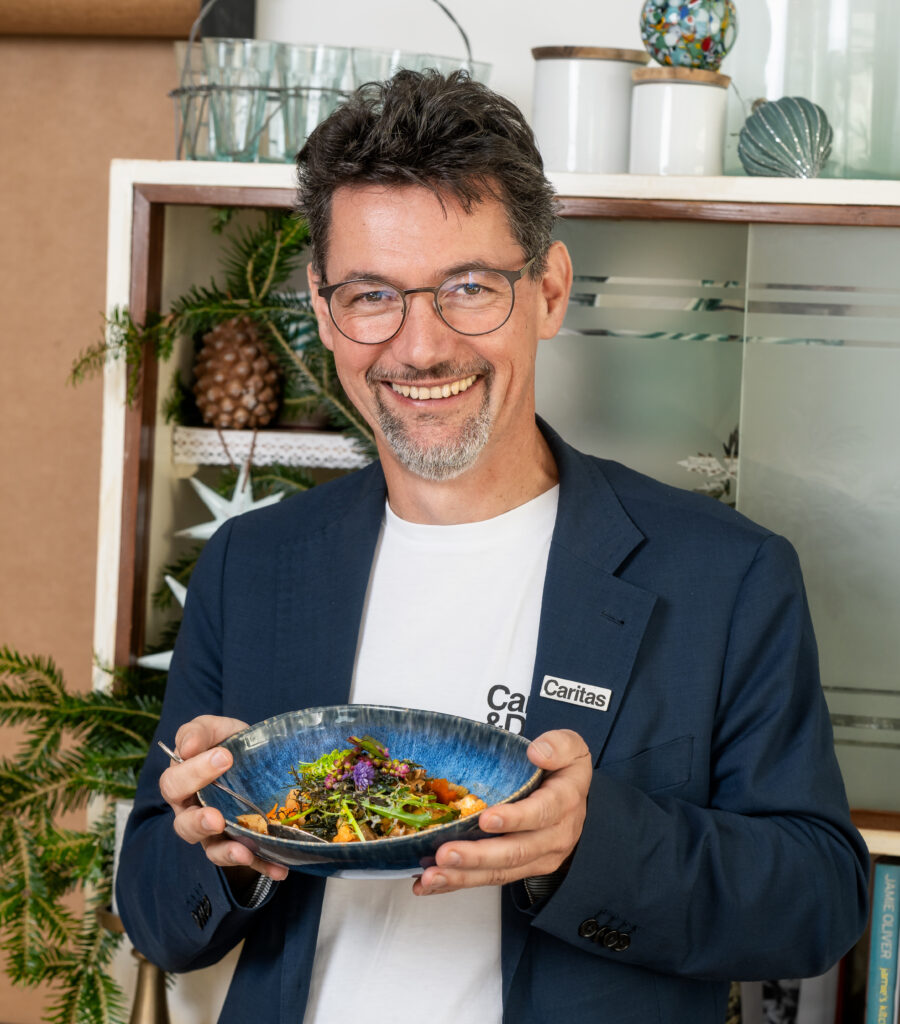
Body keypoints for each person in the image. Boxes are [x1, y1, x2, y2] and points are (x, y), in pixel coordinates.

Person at [116, 70, 869, 1023]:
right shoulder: (256, 563)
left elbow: (818, 901)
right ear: (322, 305)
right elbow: (153, 908)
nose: (420, 347)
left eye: (469, 288)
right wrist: (220, 854)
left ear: (549, 289)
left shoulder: (723, 574)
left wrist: (587, 843)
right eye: (371, 294)